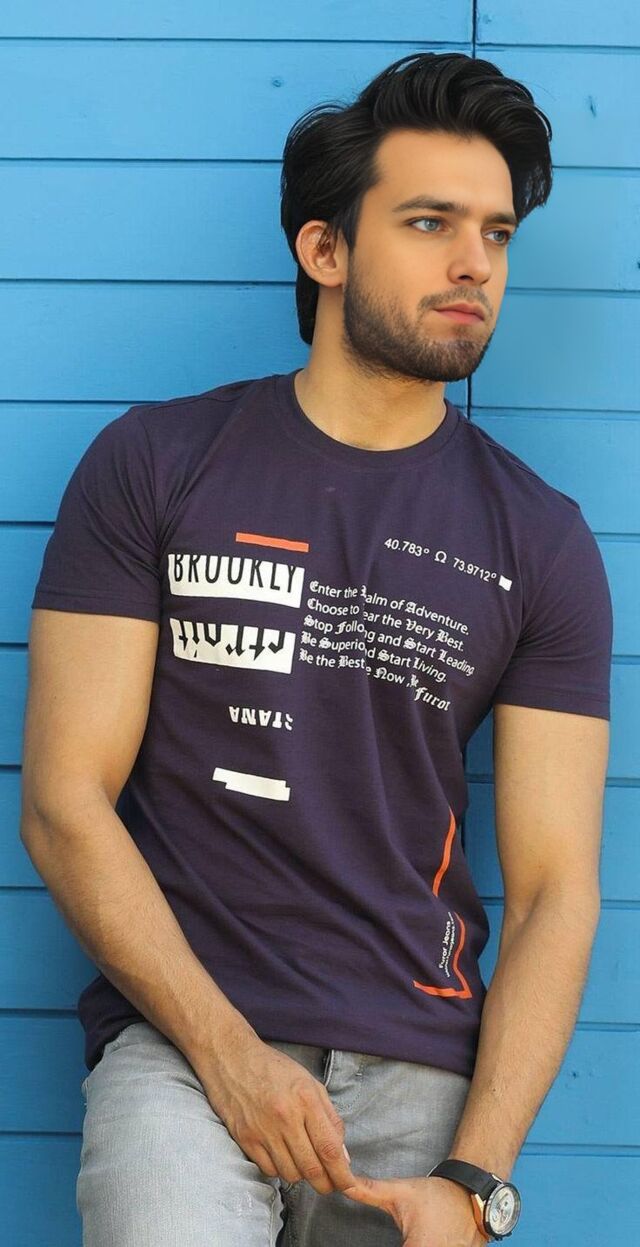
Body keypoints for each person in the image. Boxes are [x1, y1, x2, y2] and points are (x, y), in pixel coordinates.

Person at [20, 50, 612, 1247]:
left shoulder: (539, 539)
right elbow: (63, 798)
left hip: (421, 1072)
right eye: (430, 223)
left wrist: (476, 1178)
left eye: (496, 233)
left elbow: (555, 890)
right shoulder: (155, 465)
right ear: (324, 249)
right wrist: (227, 1054)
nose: (473, 263)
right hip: (185, 1046)